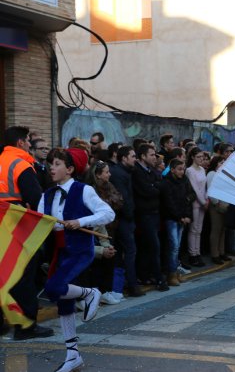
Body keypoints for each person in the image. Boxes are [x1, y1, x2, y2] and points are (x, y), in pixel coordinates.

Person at [40, 147, 115, 372]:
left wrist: (80, 221)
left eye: (57, 164)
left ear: (70, 169)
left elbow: (108, 213)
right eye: (50, 164)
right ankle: (73, 356)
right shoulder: (47, 195)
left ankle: (90, 293)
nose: (51, 168)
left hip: (81, 251)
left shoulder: (84, 190)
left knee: (54, 288)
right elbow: (44, 223)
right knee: (64, 301)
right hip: (60, 251)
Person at [0, 126, 53, 340]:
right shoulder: (20, 164)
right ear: (21, 143)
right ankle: (26, 326)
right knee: (23, 273)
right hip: (15, 226)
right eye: (29, 141)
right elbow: (36, 199)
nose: (31, 145)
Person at [85, 159, 124, 304]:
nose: (109, 175)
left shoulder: (109, 186)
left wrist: (105, 244)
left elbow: (119, 201)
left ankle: (106, 291)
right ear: (98, 174)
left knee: (110, 252)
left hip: (105, 230)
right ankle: (97, 292)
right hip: (90, 236)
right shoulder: (90, 191)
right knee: (99, 259)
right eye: (106, 172)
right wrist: (102, 248)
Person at [109, 146, 145, 297]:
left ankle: (123, 284)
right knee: (129, 251)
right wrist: (129, 215)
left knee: (124, 252)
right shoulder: (119, 174)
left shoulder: (125, 172)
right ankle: (131, 285)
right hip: (123, 220)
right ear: (124, 158)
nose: (135, 159)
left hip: (125, 219)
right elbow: (123, 199)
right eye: (132, 156)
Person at [132, 143, 168, 291]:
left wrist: (155, 187)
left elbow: (161, 186)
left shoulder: (152, 171)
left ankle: (146, 274)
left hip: (154, 213)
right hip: (144, 214)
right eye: (152, 155)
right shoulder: (137, 172)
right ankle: (158, 278)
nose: (155, 158)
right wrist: (155, 188)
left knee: (149, 247)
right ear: (143, 156)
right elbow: (147, 191)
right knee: (153, 246)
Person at [161, 159, 194, 286]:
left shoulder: (184, 180)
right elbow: (169, 203)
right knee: (173, 246)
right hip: (172, 219)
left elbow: (188, 199)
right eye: (179, 169)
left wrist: (188, 216)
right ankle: (171, 274)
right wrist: (180, 216)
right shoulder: (166, 183)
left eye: (183, 169)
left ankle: (174, 272)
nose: (182, 172)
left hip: (182, 218)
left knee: (177, 246)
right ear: (173, 169)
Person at [185, 148, 209, 267]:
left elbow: (204, 187)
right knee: (193, 229)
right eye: (198, 157)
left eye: (202, 157)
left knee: (199, 230)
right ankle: (192, 254)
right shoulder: (190, 171)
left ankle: (197, 252)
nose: (201, 159)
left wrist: (206, 199)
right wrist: (203, 201)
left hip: (203, 201)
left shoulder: (202, 170)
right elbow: (194, 188)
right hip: (195, 202)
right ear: (193, 157)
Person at [206, 155, 230, 264]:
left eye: (223, 162)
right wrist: (217, 203)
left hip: (224, 204)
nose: (222, 164)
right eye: (220, 163)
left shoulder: (222, 174)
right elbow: (211, 191)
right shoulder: (211, 174)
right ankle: (215, 254)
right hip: (216, 205)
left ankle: (222, 252)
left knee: (222, 230)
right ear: (215, 164)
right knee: (216, 229)